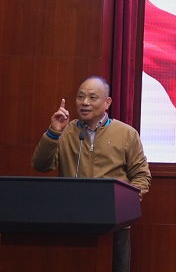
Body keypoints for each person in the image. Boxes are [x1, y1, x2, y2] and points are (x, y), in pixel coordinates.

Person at [31, 76, 151, 272]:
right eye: (80, 97)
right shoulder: (66, 131)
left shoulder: (126, 134)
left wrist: (123, 207)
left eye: (92, 97)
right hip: (72, 220)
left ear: (107, 102)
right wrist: (53, 133)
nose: (85, 102)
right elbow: (41, 165)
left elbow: (141, 177)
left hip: (114, 225)